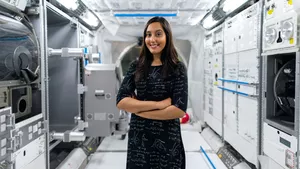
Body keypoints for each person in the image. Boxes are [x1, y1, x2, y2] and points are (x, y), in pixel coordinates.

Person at [116, 16, 188, 169]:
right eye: (148, 34)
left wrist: (139, 110)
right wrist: (159, 105)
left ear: (167, 36)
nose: (152, 39)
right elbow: (121, 101)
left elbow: (179, 110)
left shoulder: (177, 68)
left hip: (168, 140)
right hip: (139, 140)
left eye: (158, 34)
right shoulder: (136, 66)